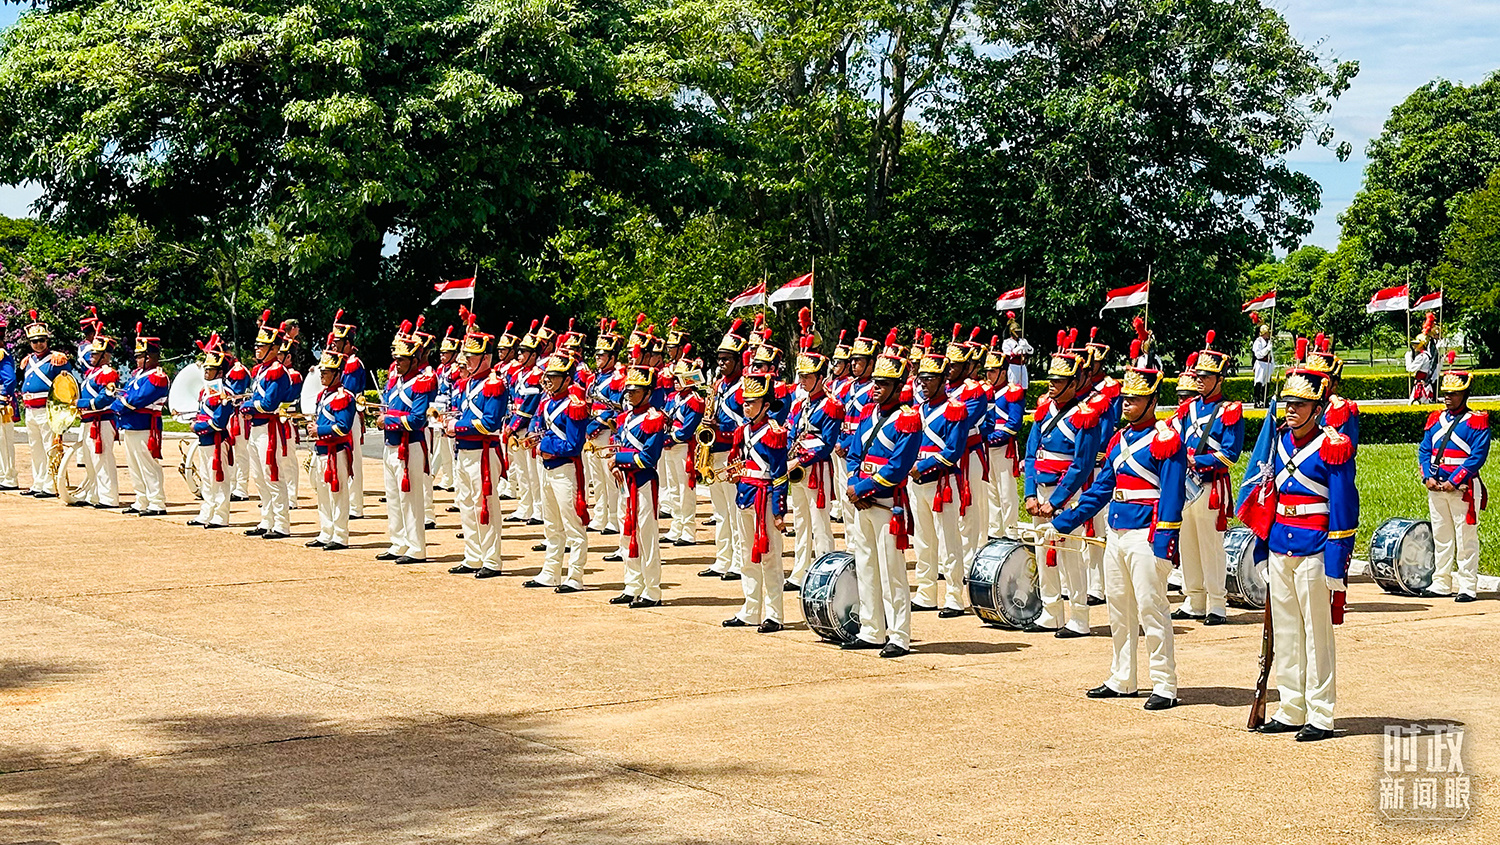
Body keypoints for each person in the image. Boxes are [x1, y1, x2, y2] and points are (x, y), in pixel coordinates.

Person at [1046, 367, 1185, 710]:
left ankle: (1164, 683)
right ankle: (1123, 677)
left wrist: (1165, 542)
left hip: (1146, 535)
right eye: (1125, 398)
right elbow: (1100, 490)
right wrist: (1065, 521)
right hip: (1117, 532)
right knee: (1118, 611)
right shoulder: (1118, 440)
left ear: (1153, 401)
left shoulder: (1165, 440)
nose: (1126, 404)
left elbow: (1172, 494)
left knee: (1152, 610)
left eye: (1135, 399)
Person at [1255, 368, 1356, 742]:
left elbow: (1344, 509)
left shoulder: (1334, 445)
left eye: (1300, 404)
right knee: (1286, 630)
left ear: (1318, 408)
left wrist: (1336, 561)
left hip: (1315, 545)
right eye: (1288, 403)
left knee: (1317, 634)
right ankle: (1291, 706)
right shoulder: (1278, 441)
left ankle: (1321, 713)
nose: (1290, 410)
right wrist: (1263, 546)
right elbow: (1268, 495)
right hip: (1281, 542)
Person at [842, 332, 922, 658]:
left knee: (893, 574)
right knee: (866, 566)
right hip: (862, 502)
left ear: (898, 385)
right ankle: (871, 629)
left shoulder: (909, 419)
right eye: (875, 381)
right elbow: (853, 454)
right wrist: (853, 483)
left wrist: (859, 487)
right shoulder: (867, 413)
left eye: (883, 383)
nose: (875, 387)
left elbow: (897, 468)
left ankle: (899, 635)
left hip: (888, 504)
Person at [1023, 340, 1104, 638]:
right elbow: (1031, 454)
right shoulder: (1044, 410)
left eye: (1059, 381)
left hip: (1067, 495)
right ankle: (1051, 610)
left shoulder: (1085, 414)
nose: (1053, 386)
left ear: (1074, 382)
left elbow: (1081, 466)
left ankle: (1079, 616)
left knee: (1071, 555)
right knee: (1044, 552)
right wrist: (1030, 494)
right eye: (1051, 380)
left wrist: (1057, 501)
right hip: (1040, 493)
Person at [1175, 332, 1243, 625]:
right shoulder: (1188, 408)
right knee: (1186, 542)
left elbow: (1230, 454)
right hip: (1185, 484)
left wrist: (1196, 459)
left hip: (1210, 484)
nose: (1200, 380)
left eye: (1206, 376)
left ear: (1219, 379)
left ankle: (1217, 603)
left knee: (1211, 546)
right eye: (1198, 375)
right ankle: (1194, 599)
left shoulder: (1229, 411)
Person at [908, 338, 971, 617]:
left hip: (941, 482)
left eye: (930, 378)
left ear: (943, 378)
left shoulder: (955, 409)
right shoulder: (916, 410)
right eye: (921, 378)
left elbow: (953, 451)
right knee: (922, 539)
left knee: (948, 540)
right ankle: (925, 592)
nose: (923, 383)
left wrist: (922, 466)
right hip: (915, 481)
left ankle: (955, 595)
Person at [723, 372, 790, 632]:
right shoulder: (742, 431)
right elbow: (739, 461)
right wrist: (734, 473)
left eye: (752, 402)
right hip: (744, 495)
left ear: (765, 404)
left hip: (765, 498)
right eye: (745, 401)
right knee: (745, 556)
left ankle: (774, 614)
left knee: (770, 558)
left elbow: (780, 474)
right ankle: (750, 609)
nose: (746, 405)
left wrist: (779, 511)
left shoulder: (775, 432)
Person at [1418, 368, 1490, 602]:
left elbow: (1477, 456)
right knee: (1442, 536)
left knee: (1465, 538)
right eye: (1446, 392)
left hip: (1463, 489)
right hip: (1436, 487)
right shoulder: (1435, 419)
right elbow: (1425, 450)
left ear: (1465, 394)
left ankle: (1468, 585)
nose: (1448, 397)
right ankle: (1441, 581)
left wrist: (1454, 480)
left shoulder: (1477, 422)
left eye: (1454, 393)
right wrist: (1427, 477)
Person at [525, 350, 591, 591]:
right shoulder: (547, 400)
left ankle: (575, 576)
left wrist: (543, 444)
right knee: (551, 525)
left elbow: (573, 444)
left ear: (567, 378)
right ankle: (551, 572)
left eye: (554, 376)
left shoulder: (575, 404)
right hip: (547, 467)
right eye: (548, 376)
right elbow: (536, 421)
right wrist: (533, 432)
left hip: (566, 469)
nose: (549, 380)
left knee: (573, 525)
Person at [448, 323, 510, 578]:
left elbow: (489, 423)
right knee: (466, 504)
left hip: (483, 451)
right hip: (465, 451)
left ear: (486, 358)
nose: (467, 361)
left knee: (485, 504)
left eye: (472, 357)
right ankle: (473, 555)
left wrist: (457, 427)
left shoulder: (495, 385)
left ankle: (491, 559)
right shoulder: (468, 384)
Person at [784, 330, 843, 590]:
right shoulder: (798, 404)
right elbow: (789, 431)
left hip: (815, 469)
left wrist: (800, 459)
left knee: (820, 522)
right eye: (801, 376)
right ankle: (800, 571)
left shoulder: (832, 405)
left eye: (808, 377)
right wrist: (786, 456)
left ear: (821, 377)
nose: (803, 381)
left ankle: (825, 571)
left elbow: (827, 443)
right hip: (795, 467)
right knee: (800, 521)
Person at [609, 354, 668, 608]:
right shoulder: (624, 418)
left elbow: (648, 457)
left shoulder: (654, 418)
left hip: (643, 481)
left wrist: (619, 459)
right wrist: (615, 461)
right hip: (625, 481)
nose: (630, 395)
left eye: (636, 391)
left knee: (646, 534)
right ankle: (632, 584)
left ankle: (652, 589)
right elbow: (619, 445)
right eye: (629, 391)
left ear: (648, 392)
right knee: (626, 533)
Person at [378, 321, 435, 563]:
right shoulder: (395, 383)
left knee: (410, 499)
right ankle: (398, 542)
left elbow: (417, 419)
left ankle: (416, 547)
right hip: (391, 445)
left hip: (409, 445)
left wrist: (388, 420)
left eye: (402, 359)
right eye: (396, 358)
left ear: (414, 359)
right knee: (393, 497)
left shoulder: (421, 382)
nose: (397, 363)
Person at [700, 320, 749, 580]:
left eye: (727, 359)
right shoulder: (718, 386)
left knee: (734, 511)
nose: (722, 364)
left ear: (739, 360)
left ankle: (739, 562)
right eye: (719, 360)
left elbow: (748, 422)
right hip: (714, 450)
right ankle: (723, 558)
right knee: (720, 512)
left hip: (733, 452)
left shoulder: (746, 386)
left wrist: (721, 426)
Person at [243, 314, 296, 539]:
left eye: (262, 346)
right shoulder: (260, 371)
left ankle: (282, 524)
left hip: (269, 427)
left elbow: (268, 403)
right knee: (259, 476)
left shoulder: (276, 371)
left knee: (273, 475)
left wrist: (247, 405)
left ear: (274, 349)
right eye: (257, 345)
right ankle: (267, 519)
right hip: (256, 427)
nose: (257, 349)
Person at [112, 324, 169, 516]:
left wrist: (118, 406)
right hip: (132, 424)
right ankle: (141, 499)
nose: (136, 359)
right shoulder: (139, 375)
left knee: (147, 464)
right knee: (134, 465)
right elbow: (128, 394)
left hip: (145, 425)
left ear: (150, 357)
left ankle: (156, 502)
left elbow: (137, 399)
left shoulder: (157, 377)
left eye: (140, 356)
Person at [304, 348, 357, 550]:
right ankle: (326, 532)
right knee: (323, 495)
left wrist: (319, 430)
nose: (323, 375)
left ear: (337, 373)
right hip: (322, 450)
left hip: (336, 451)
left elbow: (343, 427)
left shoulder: (344, 397)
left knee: (338, 494)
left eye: (326, 372)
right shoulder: (322, 395)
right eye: (322, 372)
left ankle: (340, 535)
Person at [17, 311, 70, 497]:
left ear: (47, 340)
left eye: (42, 340)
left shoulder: (57, 359)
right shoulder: (29, 360)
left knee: (50, 447)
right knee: (35, 447)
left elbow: (66, 384)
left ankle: (50, 484)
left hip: (47, 409)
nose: (38, 344)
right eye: (34, 341)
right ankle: (38, 482)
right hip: (30, 410)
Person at [188, 336, 236, 529]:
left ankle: (221, 515)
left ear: (220, 371)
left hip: (217, 439)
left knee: (219, 478)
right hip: (205, 441)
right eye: (206, 369)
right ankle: (207, 512)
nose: (206, 373)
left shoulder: (225, 392)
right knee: (206, 478)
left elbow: (219, 422)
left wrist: (197, 427)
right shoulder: (204, 392)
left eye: (211, 370)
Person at [328, 309, 370, 518]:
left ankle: (356, 506)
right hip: (338, 412)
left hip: (349, 413)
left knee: (353, 458)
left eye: (338, 341)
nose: (334, 344)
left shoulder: (352, 363)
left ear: (348, 343)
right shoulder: (339, 360)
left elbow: (348, 392)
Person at [585, 321, 625, 536]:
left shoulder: (617, 379)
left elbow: (617, 407)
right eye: (597, 355)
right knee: (597, 478)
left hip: (607, 430)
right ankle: (600, 515)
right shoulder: (595, 377)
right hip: (592, 430)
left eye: (602, 355)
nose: (598, 358)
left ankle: (613, 518)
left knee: (610, 478)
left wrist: (597, 423)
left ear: (612, 356)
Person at [983, 339, 1026, 539]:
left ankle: (1011, 531)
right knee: (990, 490)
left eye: (992, 371)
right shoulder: (983, 391)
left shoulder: (1013, 391)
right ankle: (995, 530)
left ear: (1003, 371)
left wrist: (992, 438)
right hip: (986, 445)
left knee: (1007, 491)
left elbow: (1014, 423)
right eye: (987, 371)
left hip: (1003, 446)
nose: (988, 375)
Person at [74, 329, 121, 509]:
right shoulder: (91, 373)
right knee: (90, 460)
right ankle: (94, 495)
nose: (91, 356)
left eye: (95, 353)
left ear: (105, 355)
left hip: (101, 420)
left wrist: (81, 403)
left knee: (102, 459)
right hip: (89, 421)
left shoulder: (108, 373)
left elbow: (105, 398)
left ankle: (109, 497)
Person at [663, 351, 705, 546]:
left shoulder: (695, 400)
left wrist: (670, 437)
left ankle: (688, 530)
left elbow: (687, 428)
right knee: (673, 488)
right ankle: (676, 525)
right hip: (670, 446)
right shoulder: (672, 398)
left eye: (680, 378)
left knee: (684, 490)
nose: (676, 382)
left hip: (683, 447)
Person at [0, 315, 15, 490]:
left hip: (1, 400)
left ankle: (9, 477)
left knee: (3, 439)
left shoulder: (2, 354)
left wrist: (3, 397)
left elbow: (9, 380)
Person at [1000, 313, 1032, 390]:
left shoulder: (1023, 340)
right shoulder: (1007, 342)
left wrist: (1027, 347)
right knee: (1014, 385)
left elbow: (1030, 351)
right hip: (1014, 366)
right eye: (1016, 331)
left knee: (1024, 385)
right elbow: (1009, 354)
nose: (1018, 333)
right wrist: (1018, 349)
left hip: (1023, 365)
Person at [1405, 334, 1436, 404]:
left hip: (1421, 386)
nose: (1414, 346)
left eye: (1417, 344)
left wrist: (1408, 358)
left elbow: (1410, 369)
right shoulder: (1427, 355)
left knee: (1413, 404)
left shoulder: (1421, 357)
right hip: (1425, 384)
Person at [1252, 324, 1275, 408]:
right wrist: (1266, 349)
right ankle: (1256, 401)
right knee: (1259, 381)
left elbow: (1271, 354)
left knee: (1266, 382)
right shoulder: (1258, 341)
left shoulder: (1268, 341)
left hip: (1267, 364)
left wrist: (1273, 364)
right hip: (1260, 364)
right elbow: (1258, 354)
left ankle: (1264, 400)